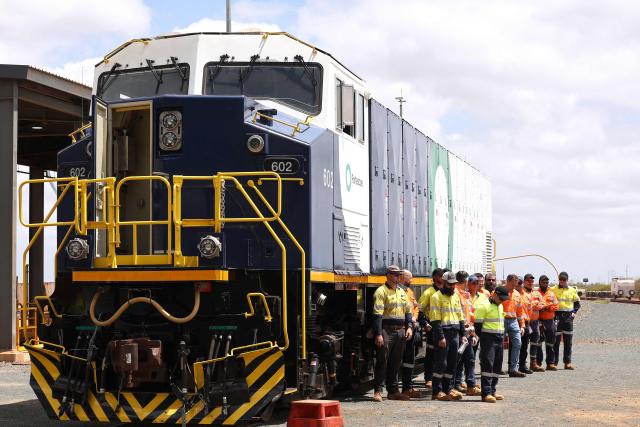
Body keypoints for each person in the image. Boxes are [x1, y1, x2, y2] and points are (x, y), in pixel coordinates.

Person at [372, 265, 413, 401]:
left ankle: (393, 391)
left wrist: (409, 327)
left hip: (400, 329)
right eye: (395, 274)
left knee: (396, 361)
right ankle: (378, 390)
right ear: (388, 275)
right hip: (386, 329)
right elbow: (377, 314)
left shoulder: (402, 292)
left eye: (399, 274)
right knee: (382, 359)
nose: (398, 277)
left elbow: (408, 311)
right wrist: (378, 334)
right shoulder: (381, 291)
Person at [429, 271, 467, 401]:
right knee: (441, 363)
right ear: (444, 283)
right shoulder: (436, 297)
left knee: (452, 363)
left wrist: (463, 334)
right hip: (443, 333)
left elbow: (460, 316)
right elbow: (435, 319)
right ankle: (437, 391)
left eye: (454, 284)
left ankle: (448, 389)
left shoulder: (455, 296)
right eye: (450, 284)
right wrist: (440, 337)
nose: (452, 286)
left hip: (455, 333)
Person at [474, 285, 510, 403]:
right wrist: (484, 338)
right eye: (501, 298)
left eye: (504, 299)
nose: (502, 301)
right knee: (487, 366)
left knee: (497, 366)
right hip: (488, 339)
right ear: (495, 294)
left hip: (499, 338)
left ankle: (493, 390)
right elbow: (478, 326)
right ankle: (486, 393)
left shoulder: (499, 306)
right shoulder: (484, 305)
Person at [419, 268, 445, 389]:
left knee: (443, 354)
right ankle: (428, 378)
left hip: (445, 325)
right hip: (432, 326)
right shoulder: (428, 292)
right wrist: (424, 323)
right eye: (440, 276)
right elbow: (419, 309)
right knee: (431, 353)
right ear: (435, 278)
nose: (442, 278)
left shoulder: (446, 292)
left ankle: (441, 377)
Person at [453, 271, 479, 395]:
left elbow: (469, 316)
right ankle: (455, 385)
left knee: (468, 360)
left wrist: (472, 332)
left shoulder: (464, 295)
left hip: (467, 332)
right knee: (459, 360)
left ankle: (468, 385)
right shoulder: (456, 294)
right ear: (466, 281)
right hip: (460, 333)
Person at [551, 272, 580, 370]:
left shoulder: (572, 290)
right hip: (557, 317)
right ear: (558, 279)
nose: (562, 281)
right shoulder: (553, 289)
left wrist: (574, 313)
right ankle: (554, 363)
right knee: (556, 341)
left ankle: (567, 362)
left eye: (564, 279)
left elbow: (577, 304)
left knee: (568, 342)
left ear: (567, 280)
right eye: (560, 279)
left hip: (568, 318)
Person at [399, 269, 421, 398]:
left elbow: (415, 307)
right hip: (401, 329)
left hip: (410, 328)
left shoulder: (409, 292)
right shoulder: (399, 292)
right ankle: (397, 388)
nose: (411, 281)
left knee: (409, 359)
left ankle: (407, 387)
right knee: (397, 360)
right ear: (402, 277)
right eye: (409, 278)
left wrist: (414, 318)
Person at [503, 274, 526, 377]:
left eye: (515, 284)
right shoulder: (499, 291)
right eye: (512, 284)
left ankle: (513, 369)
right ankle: (496, 368)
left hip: (513, 321)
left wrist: (522, 326)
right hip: (501, 321)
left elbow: (520, 312)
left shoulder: (517, 294)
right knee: (498, 346)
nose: (514, 286)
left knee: (517, 343)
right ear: (507, 281)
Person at [536, 275, 559, 370]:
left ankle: (550, 363)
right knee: (538, 342)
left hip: (550, 321)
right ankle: (538, 363)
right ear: (540, 282)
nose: (545, 284)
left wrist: (548, 307)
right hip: (539, 320)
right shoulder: (535, 293)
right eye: (543, 282)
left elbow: (556, 306)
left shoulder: (552, 294)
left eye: (546, 283)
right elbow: (534, 305)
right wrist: (542, 306)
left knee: (551, 342)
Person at [524, 274, 546, 372]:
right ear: (524, 282)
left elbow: (543, 303)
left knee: (535, 342)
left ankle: (533, 363)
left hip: (535, 322)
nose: (530, 283)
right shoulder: (521, 292)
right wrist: (534, 304)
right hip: (525, 322)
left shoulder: (536, 293)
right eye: (528, 281)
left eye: (532, 281)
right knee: (523, 344)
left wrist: (537, 306)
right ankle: (521, 364)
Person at [516, 274, 533, 374]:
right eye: (517, 283)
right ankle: (513, 366)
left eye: (520, 283)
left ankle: (522, 365)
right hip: (515, 322)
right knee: (515, 346)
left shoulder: (527, 296)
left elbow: (529, 310)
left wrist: (528, 322)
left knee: (525, 346)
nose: (518, 285)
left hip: (526, 322)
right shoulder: (512, 295)